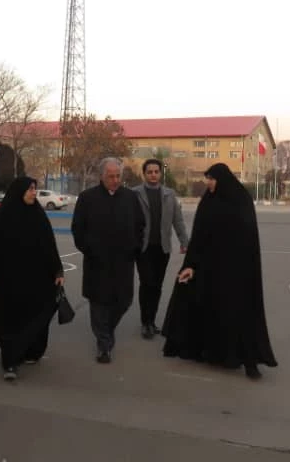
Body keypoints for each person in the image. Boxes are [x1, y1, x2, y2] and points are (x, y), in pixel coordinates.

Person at [162, 163, 278, 379]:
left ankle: (249, 361)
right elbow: (199, 236)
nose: (208, 183)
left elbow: (248, 236)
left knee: (239, 313)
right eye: (207, 178)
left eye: (211, 179)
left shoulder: (241, 200)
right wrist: (190, 265)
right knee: (206, 308)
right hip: (209, 268)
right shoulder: (208, 201)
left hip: (236, 269)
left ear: (222, 179)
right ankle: (210, 352)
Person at [0, 177, 66, 381]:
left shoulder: (38, 215)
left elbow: (49, 245)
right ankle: (10, 361)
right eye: (30, 189)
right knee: (10, 320)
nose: (33, 193)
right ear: (18, 191)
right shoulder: (3, 216)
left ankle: (32, 351)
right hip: (8, 281)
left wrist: (58, 271)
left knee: (37, 315)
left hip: (37, 279)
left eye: (35, 189)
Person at [71, 157, 145, 364]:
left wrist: (135, 247)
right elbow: (78, 228)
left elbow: (140, 225)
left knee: (123, 302)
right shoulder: (87, 198)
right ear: (101, 176)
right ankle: (104, 345)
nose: (115, 180)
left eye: (118, 176)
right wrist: (89, 249)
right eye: (111, 176)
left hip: (123, 262)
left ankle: (107, 331)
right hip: (97, 262)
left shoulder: (130, 197)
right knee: (99, 303)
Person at [132, 158, 189, 339]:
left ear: (160, 173)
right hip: (143, 248)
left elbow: (178, 220)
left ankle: (152, 321)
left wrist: (184, 242)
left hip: (163, 248)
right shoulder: (135, 194)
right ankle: (145, 322)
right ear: (144, 174)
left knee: (157, 286)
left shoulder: (169, 194)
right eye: (150, 172)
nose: (153, 175)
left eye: (156, 172)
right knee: (147, 283)